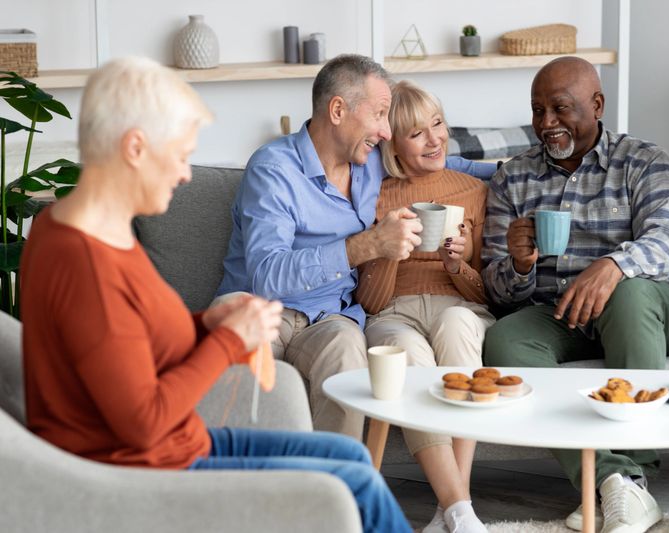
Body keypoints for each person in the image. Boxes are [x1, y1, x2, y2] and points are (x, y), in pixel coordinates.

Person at [19, 56, 411, 533]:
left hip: (179, 444)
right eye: (181, 155)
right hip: (149, 468)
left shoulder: (89, 229)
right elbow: (143, 422)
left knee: (350, 455)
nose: (186, 174)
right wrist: (228, 341)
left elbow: (127, 335)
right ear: (135, 147)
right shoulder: (83, 261)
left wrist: (207, 322)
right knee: (359, 487)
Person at [215, 54, 495, 440]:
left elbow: (448, 166)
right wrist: (364, 246)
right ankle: (242, 485)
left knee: (348, 349)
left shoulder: (370, 162)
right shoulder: (273, 169)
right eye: (380, 114)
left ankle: (337, 490)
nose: (385, 131)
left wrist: (524, 170)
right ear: (337, 110)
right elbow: (267, 276)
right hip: (262, 310)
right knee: (236, 343)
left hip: (332, 315)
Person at [481, 56, 669, 533]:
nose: (546, 123)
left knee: (629, 296)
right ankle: (611, 482)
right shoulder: (512, 177)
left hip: (649, 306)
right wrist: (517, 266)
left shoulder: (643, 160)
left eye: (559, 108)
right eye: (538, 111)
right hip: (560, 310)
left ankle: (635, 476)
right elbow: (496, 290)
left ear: (597, 105)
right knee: (506, 341)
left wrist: (615, 265)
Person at [355, 80, 494, 533]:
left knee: (455, 324)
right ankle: (459, 511)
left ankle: (451, 509)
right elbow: (370, 302)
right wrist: (390, 251)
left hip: (460, 306)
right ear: (392, 142)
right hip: (394, 312)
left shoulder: (474, 190)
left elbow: (485, 294)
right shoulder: (374, 196)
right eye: (417, 133)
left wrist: (458, 265)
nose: (435, 139)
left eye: (437, 124)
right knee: (407, 356)